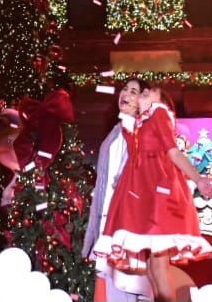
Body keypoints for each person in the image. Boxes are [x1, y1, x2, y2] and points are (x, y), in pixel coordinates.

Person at [94, 82, 212, 302]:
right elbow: (134, 156)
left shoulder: (159, 114)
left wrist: (199, 179)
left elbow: (173, 153)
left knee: (159, 267)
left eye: (148, 93)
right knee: (152, 268)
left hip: (160, 194)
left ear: (160, 102)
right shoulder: (138, 124)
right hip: (144, 196)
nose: (142, 95)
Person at [84, 78, 144, 302]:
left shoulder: (140, 132)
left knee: (127, 284)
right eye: (125, 89)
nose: (126, 94)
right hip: (107, 220)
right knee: (112, 286)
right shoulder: (114, 133)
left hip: (127, 222)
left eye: (134, 91)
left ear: (142, 101)